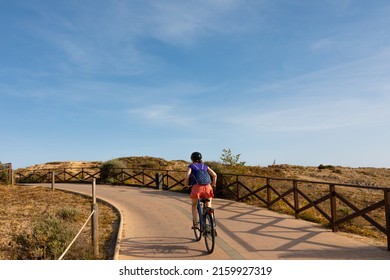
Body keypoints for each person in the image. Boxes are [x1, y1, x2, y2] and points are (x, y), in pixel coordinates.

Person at [184, 151, 217, 229]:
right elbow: (214, 175)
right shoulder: (205, 166)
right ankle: (211, 225)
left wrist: (186, 185)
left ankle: (195, 224)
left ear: (192, 159)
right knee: (208, 206)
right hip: (208, 187)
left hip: (197, 188)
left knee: (194, 205)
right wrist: (213, 185)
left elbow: (187, 177)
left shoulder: (191, 166)